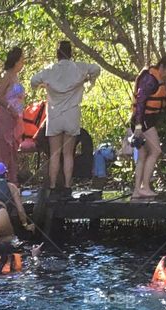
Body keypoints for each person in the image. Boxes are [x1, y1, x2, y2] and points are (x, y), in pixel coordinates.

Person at [30, 41, 99, 196]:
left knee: (55, 154)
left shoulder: (50, 70)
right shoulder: (79, 68)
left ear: (57, 54)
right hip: (72, 115)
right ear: (71, 53)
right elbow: (96, 69)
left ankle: (53, 187)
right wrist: (87, 80)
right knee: (68, 154)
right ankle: (68, 186)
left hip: (54, 115)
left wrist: (43, 85)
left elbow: (33, 81)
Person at [131, 54, 166, 200]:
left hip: (148, 120)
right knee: (156, 150)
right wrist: (138, 126)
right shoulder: (150, 79)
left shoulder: (161, 81)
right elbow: (140, 103)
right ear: (162, 66)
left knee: (143, 155)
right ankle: (145, 186)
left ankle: (137, 190)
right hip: (143, 120)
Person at [0, 47, 26, 185]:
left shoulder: (16, 77)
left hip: (15, 118)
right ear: (16, 61)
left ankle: (12, 181)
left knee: (12, 150)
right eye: (22, 59)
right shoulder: (7, 76)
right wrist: (9, 108)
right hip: (6, 116)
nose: (23, 62)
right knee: (3, 148)